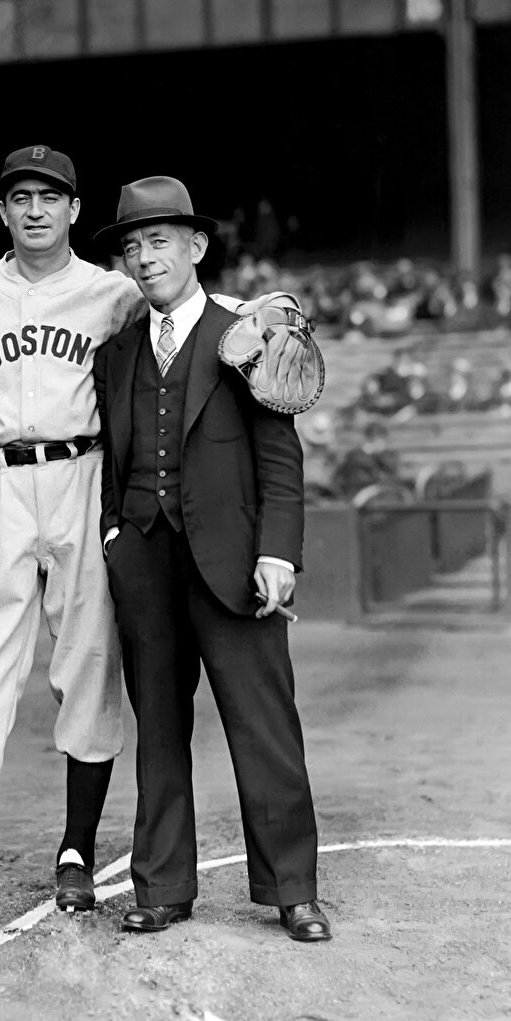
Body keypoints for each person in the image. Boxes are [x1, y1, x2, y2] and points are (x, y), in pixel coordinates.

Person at [0, 147, 248, 930]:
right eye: (20, 197)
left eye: (51, 196)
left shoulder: (112, 292)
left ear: (73, 210)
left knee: (89, 662)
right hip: (0, 482)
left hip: (81, 476)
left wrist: (257, 310)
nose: (35, 209)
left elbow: (185, 308)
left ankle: (74, 855)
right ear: (3, 212)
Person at [92, 176, 330, 942]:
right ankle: (162, 885)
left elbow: (279, 462)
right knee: (158, 730)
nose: (143, 257)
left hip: (235, 564)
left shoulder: (249, 333)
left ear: (195, 247)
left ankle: (292, 888)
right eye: (132, 246)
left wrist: (277, 552)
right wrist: (113, 536)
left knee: (264, 726)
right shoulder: (118, 351)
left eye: (158, 241)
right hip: (146, 564)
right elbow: (116, 460)